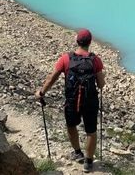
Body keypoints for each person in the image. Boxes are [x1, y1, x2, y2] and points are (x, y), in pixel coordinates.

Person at [35, 29, 105, 173]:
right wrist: (102, 76)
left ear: (77, 41)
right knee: (91, 131)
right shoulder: (95, 60)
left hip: (72, 100)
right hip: (90, 100)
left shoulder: (66, 59)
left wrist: (41, 92)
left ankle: (77, 152)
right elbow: (101, 84)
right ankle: (88, 162)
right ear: (90, 42)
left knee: (71, 125)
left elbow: (52, 78)